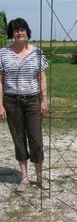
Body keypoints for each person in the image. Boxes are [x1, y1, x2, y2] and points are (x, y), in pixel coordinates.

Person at [0, 17, 48, 192]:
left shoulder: (37, 52)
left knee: (36, 139)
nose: (19, 33)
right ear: (12, 34)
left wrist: (44, 99)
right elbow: (0, 80)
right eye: (16, 30)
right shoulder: (3, 53)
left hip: (32, 100)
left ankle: (40, 178)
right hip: (12, 101)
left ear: (27, 32)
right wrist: (0, 105)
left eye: (22, 29)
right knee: (18, 139)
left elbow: (41, 77)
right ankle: (24, 179)